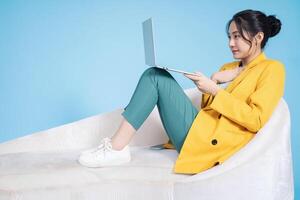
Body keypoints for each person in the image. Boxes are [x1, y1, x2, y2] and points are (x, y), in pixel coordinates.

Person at [78, 9, 285, 174]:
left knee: (154, 76)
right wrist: (214, 79)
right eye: (229, 36)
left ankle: (116, 148)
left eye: (237, 36)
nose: (231, 43)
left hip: (214, 145)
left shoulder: (272, 69)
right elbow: (208, 113)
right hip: (202, 132)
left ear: (258, 37)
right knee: (155, 74)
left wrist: (215, 89)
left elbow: (256, 119)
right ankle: (116, 147)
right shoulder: (228, 68)